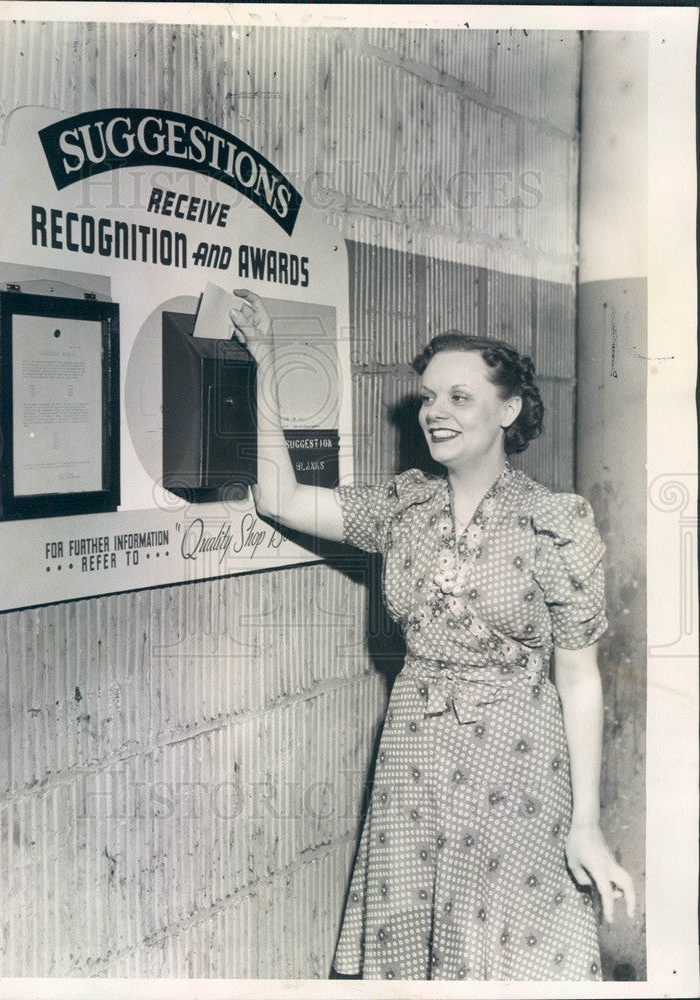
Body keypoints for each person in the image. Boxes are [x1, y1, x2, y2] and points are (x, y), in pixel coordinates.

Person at [229, 289, 635, 982]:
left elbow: (577, 674)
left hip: (517, 763)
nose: (434, 414)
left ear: (507, 411)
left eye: (458, 397)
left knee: (511, 954)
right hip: (413, 752)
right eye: (426, 399)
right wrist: (267, 356)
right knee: (412, 947)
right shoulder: (401, 507)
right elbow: (281, 499)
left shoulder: (552, 521)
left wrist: (586, 821)